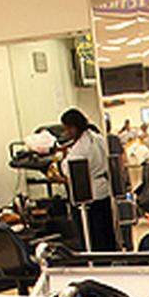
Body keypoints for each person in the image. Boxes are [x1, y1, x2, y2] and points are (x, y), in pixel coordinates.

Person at [59, 108, 117, 251]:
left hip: (89, 195)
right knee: (106, 233)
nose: (66, 133)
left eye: (66, 129)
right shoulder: (97, 138)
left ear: (73, 128)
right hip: (104, 191)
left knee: (93, 237)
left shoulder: (80, 148)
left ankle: (96, 263)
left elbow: (69, 172)